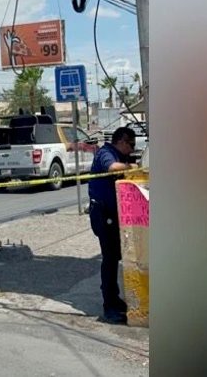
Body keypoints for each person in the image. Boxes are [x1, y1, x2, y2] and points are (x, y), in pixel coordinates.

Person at [87, 126, 139, 324]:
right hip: (103, 214)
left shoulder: (119, 155)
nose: (132, 149)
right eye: (131, 145)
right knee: (109, 260)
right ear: (122, 141)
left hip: (115, 214)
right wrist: (131, 168)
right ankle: (109, 306)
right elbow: (111, 168)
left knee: (117, 257)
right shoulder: (106, 153)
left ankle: (115, 300)